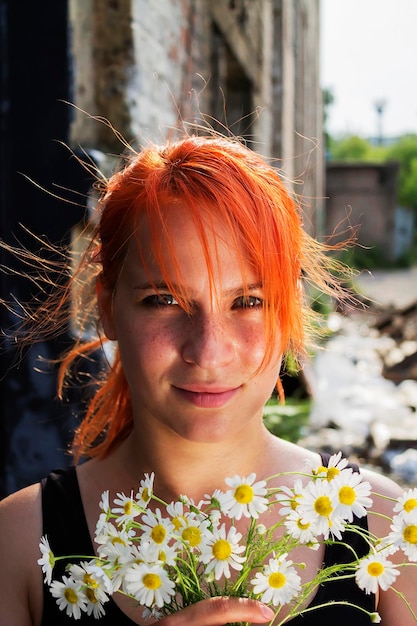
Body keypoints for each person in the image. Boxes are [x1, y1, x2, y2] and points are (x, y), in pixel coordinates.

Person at [0, 133, 415, 626]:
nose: (209, 351)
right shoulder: (18, 545)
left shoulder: (390, 532)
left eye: (248, 302)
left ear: (289, 314)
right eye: (164, 299)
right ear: (108, 308)